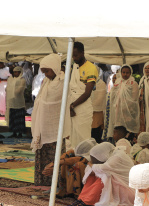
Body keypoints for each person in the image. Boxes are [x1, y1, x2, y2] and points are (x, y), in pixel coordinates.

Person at [62, 142, 135, 206]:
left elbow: (103, 168)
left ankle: (88, 201)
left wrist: (90, 164)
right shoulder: (111, 154)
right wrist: (92, 166)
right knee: (96, 173)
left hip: (127, 191)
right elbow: (91, 170)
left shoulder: (118, 157)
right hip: (118, 187)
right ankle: (83, 199)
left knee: (104, 175)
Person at [31, 54, 70, 186]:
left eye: (47, 71)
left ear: (55, 67)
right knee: (43, 156)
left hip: (55, 129)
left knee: (55, 157)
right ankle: (42, 183)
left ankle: (57, 186)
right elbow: (41, 101)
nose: (46, 75)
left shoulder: (62, 82)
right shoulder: (47, 82)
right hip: (42, 127)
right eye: (43, 72)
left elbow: (53, 103)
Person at [67, 42, 98, 148]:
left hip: (82, 108)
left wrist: (72, 105)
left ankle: (84, 160)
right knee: (72, 138)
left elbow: (87, 93)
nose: (74, 58)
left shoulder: (91, 68)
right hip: (72, 105)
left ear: (82, 53)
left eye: (76, 55)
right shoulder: (73, 67)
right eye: (72, 55)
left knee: (83, 138)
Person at [108, 65, 140, 140]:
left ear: (130, 73)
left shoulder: (133, 83)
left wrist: (125, 107)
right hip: (118, 114)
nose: (125, 74)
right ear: (121, 73)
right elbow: (113, 96)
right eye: (123, 72)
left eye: (127, 73)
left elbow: (134, 99)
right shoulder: (118, 82)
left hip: (128, 113)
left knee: (128, 134)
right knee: (119, 133)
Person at [5, 66, 26, 138]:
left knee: (19, 119)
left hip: (19, 103)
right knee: (13, 119)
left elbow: (19, 90)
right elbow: (7, 88)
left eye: (16, 72)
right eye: (14, 72)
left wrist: (12, 91)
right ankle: (14, 133)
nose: (15, 73)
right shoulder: (10, 79)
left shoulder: (22, 80)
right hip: (11, 102)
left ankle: (20, 133)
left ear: (20, 72)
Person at [90, 78, 107, 143]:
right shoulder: (86, 80)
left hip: (97, 111)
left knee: (96, 130)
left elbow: (100, 97)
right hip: (87, 110)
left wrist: (92, 105)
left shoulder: (101, 83)